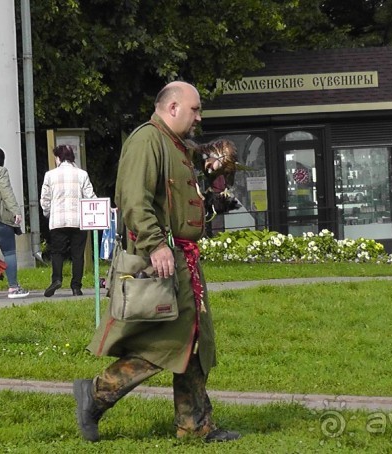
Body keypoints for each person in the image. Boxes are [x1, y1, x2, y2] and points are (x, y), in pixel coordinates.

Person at [73, 81, 241, 443]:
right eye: (194, 109)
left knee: (193, 340)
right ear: (173, 107)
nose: (199, 117)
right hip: (162, 258)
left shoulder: (177, 145)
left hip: (183, 259)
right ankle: (96, 393)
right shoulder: (147, 141)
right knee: (165, 343)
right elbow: (135, 199)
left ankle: (195, 425)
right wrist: (155, 245)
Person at [39, 144, 96, 297]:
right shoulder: (82, 174)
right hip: (79, 220)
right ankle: (76, 287)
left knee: (57, 252)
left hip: (58, 220)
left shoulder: (50, 175)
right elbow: (90, 197)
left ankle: (56, 279)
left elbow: (45, 198)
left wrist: (48, 213)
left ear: (58, 158)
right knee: (78, 254)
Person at [0, 145, 29, 299]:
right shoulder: (0, 171)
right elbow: (7, 193)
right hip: (0, 218)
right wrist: (16, 211)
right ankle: (13, 288)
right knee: (9, 252)